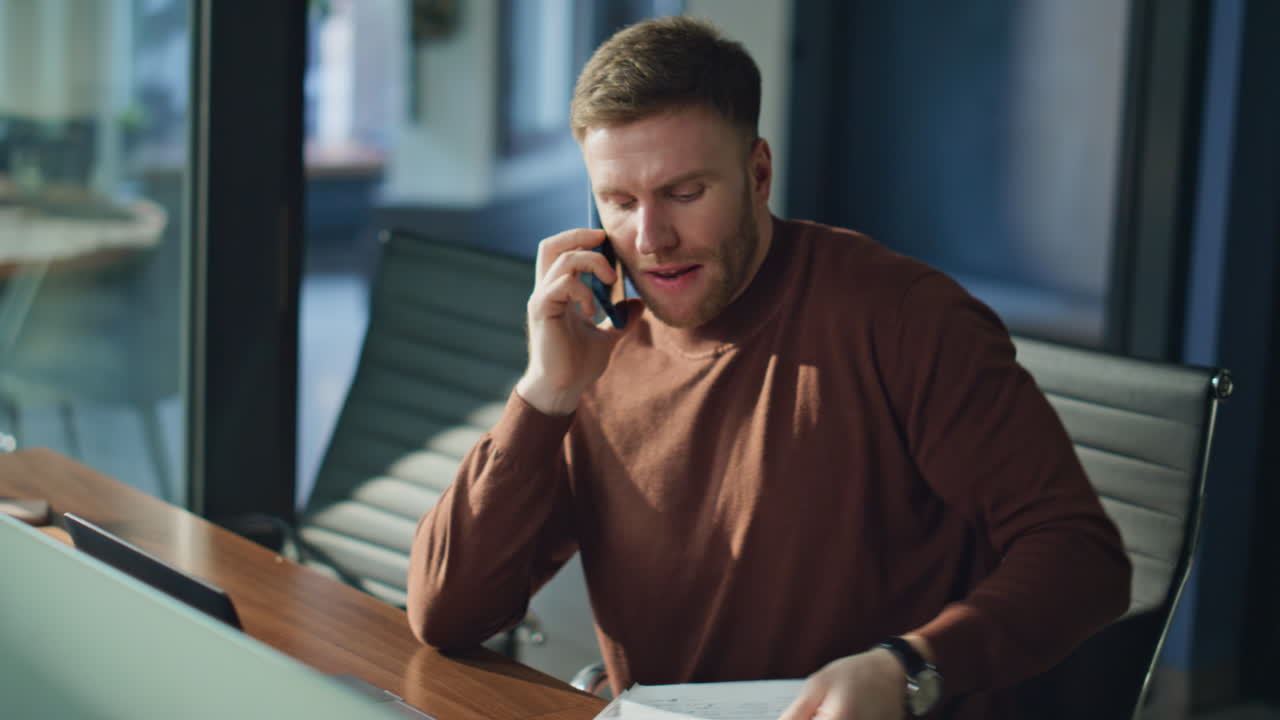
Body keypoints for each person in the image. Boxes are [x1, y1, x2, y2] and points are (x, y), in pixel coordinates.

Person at [406, 16, 1130, 720]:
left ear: (758, 173)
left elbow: (1082, 560)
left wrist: (909, 667)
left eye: (685, 194)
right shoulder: (595, 347)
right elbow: (447, 614)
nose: (651, 238)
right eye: (620, 201)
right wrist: (545, 394)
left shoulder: (906, 318)